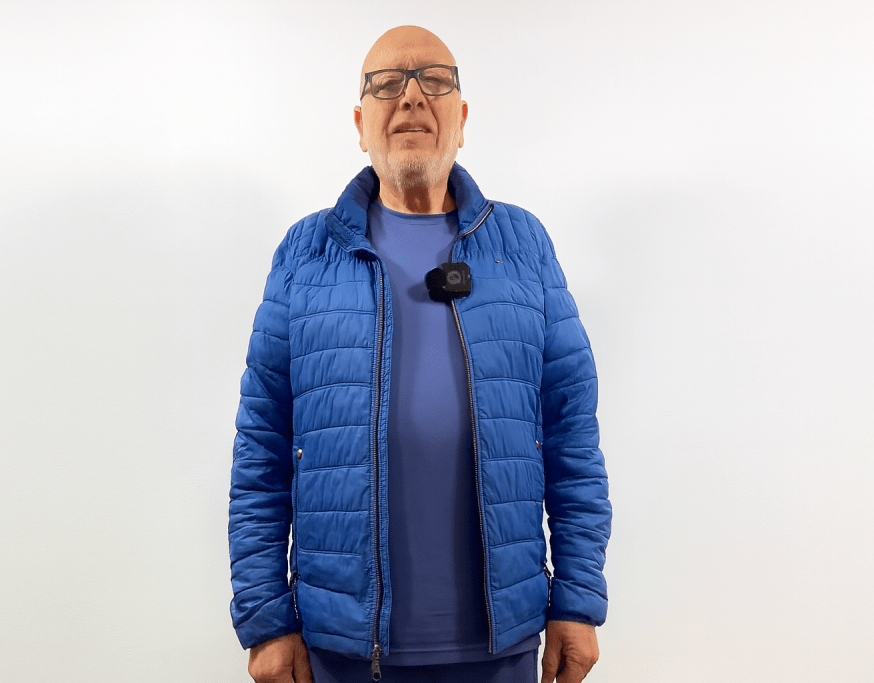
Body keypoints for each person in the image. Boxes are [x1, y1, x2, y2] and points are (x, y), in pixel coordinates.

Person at [229, 25, 611, 683]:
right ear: (360, 122)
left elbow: (572, 437)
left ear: (462, 119)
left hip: (502, 647)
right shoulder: (304, 255)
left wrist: (577, 598)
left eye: (433, 81)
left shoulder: (521, 245)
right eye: (386, 85)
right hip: (344, 652)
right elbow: (261, 450)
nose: (410, 98)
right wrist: (267, 618)